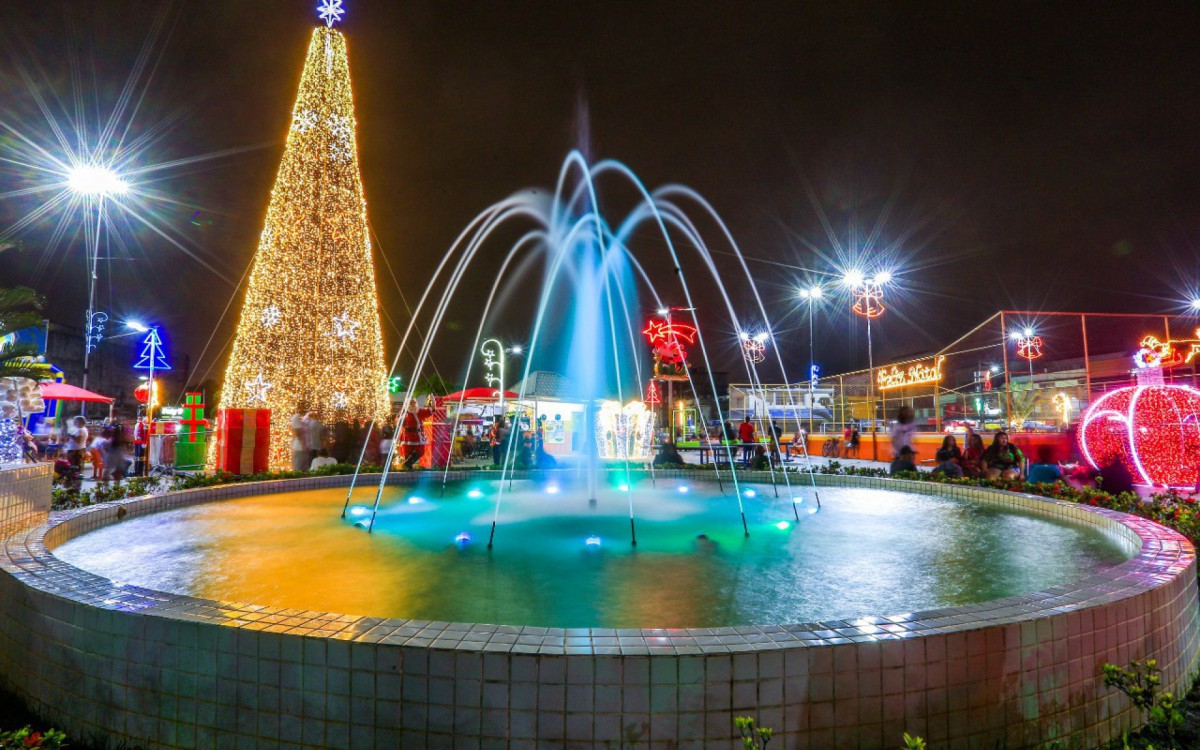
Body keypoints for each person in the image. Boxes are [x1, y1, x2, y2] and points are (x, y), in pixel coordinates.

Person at [399, 400, 423, 470]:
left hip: (416, 436)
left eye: (414, 403)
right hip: (407, 436)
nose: (413, 405)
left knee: (419, 451)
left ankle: (408, 463)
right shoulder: (404, 413)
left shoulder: (418, 412)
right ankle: (408, 466)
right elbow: (398, 421)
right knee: (408, 452)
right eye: (411, 403)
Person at [290, 406, 308, 472]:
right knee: (299, 463)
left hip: (300, 445)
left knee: (300, 462)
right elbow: (297, 431)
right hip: (299, 446)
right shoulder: (297, 417)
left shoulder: (299, 417)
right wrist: (302, 443)